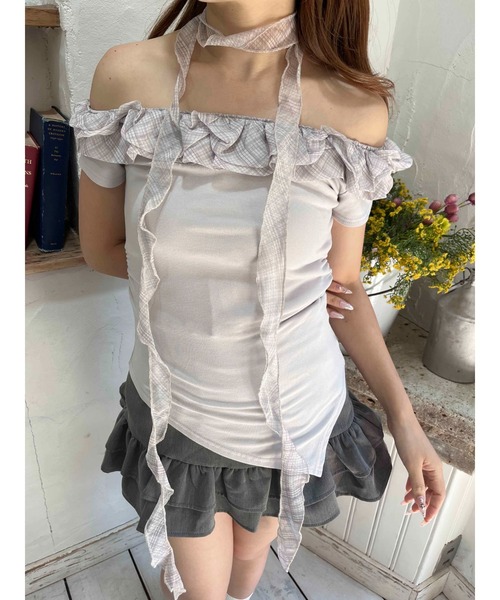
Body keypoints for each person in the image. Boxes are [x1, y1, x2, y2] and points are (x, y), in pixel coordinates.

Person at [70, 1, 446, 599]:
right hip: (179, 411)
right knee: (201, 589)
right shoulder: (129, 78)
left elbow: (342, 286)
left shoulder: (354, 109)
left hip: (296, 418)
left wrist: (406, 421)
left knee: (248, 565)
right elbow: (103, 249)